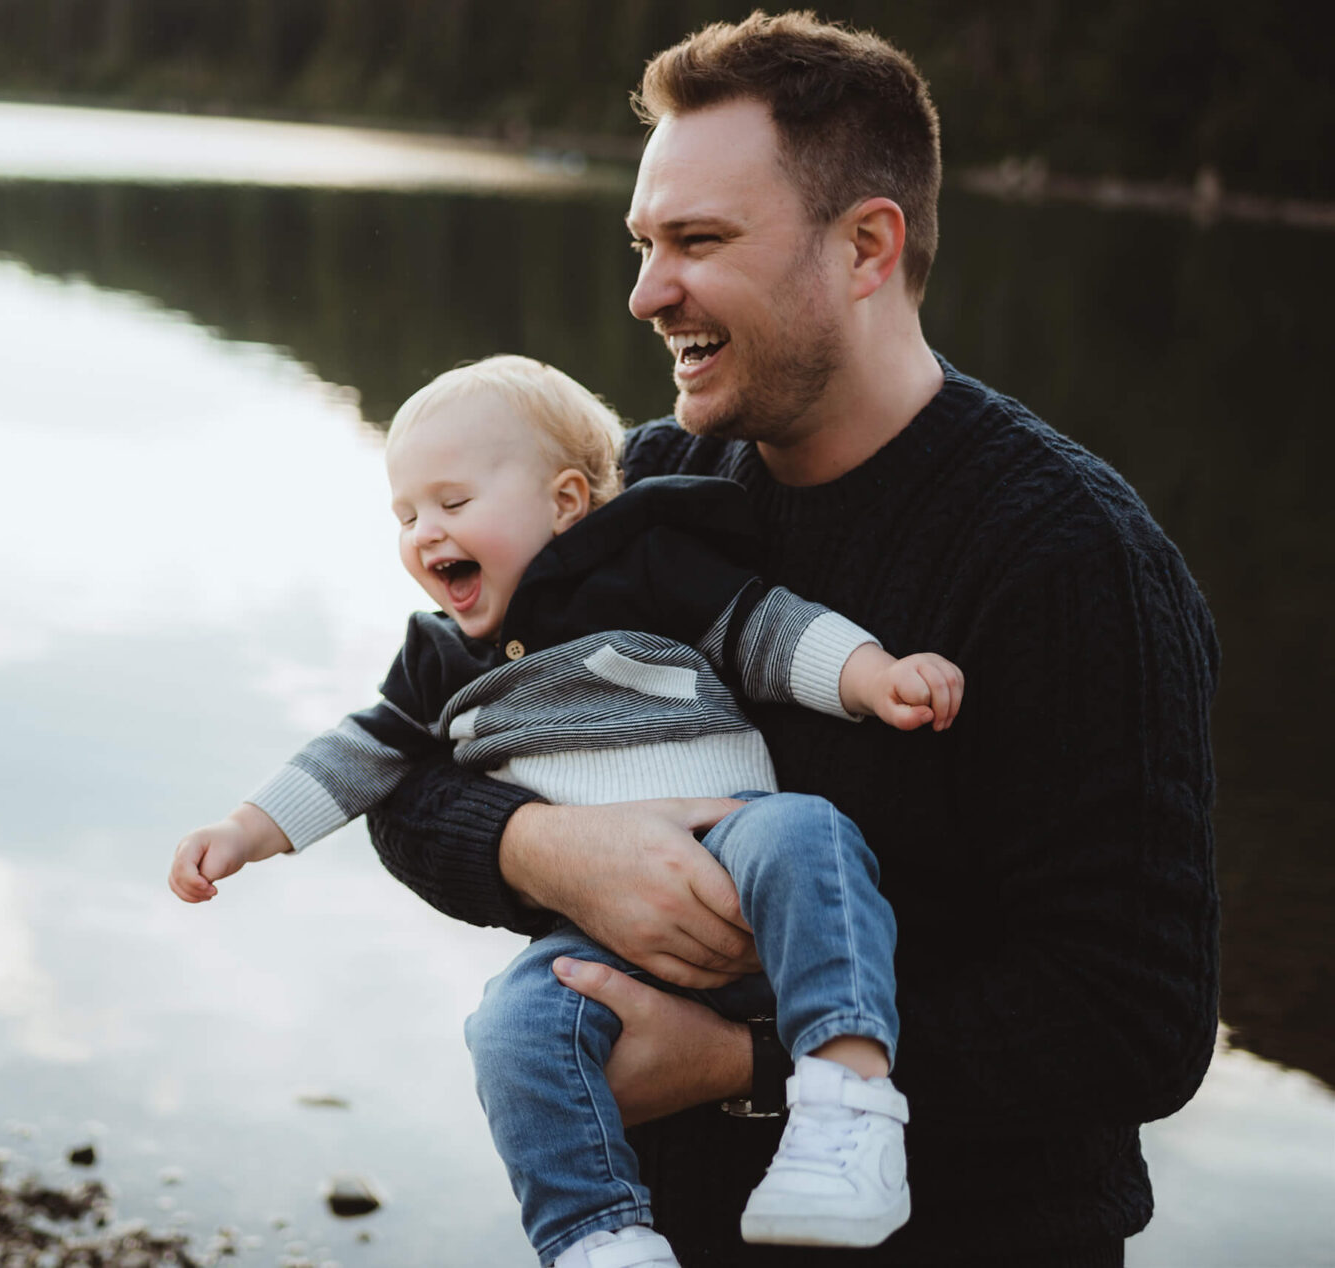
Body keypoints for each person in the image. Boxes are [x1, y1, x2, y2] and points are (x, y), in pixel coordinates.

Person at [367, 12, 1221, 1268]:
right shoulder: (647, 483)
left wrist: (742, 1066)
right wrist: (547, 848)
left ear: (866, 245)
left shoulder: (1073, 561)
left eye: (697, 242)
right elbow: (406, 763)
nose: (646, 292)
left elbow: (1131, 1021)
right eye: (645, 243)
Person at [169, 354, 964, 1264]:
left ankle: (847, 1108)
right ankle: (598, 1236)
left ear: (567, 501)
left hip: (736, 845)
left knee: (809, 832)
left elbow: (767, 630)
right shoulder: (437, 658)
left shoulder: (648, 570)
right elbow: (359, 758)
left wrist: (874, 677)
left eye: (454, 504)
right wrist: (244, 830)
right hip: (601, 936)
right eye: (406, 514)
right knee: (508, 1027)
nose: (426, 532)